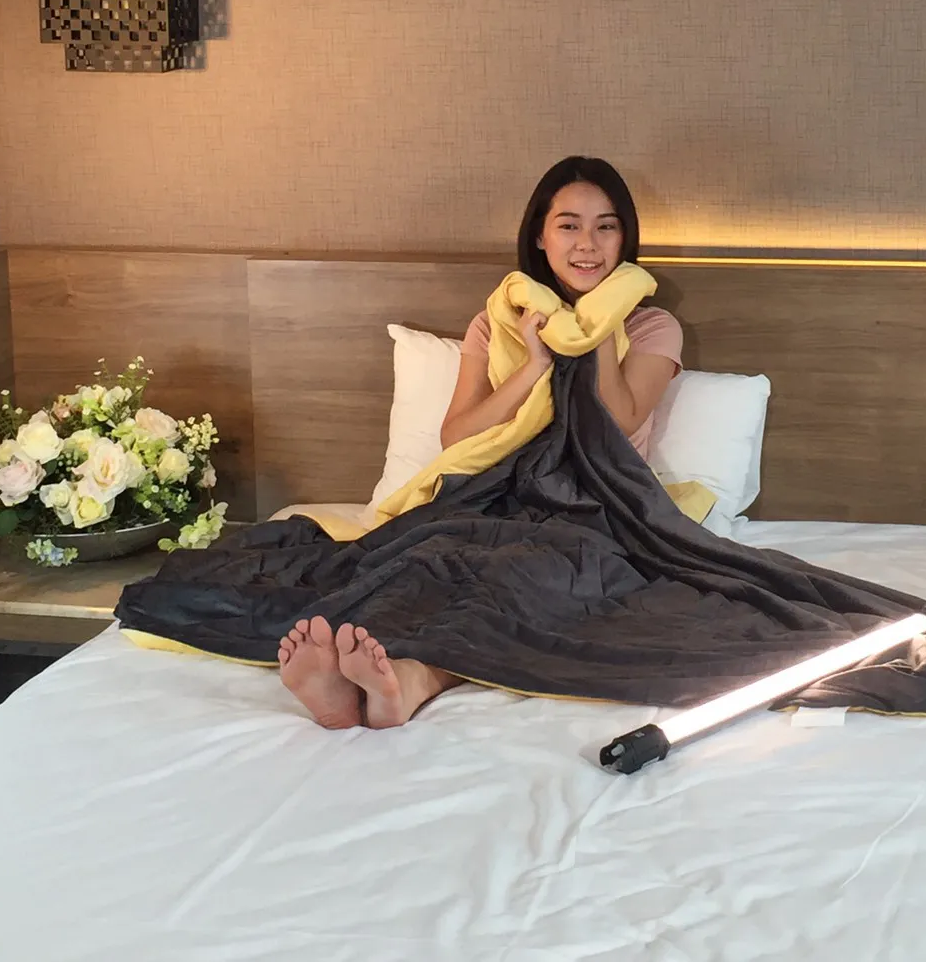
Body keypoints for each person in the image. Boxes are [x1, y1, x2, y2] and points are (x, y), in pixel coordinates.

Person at [276, 156, 684, 730]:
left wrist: (593, 327)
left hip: (597, 504)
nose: (587, 244)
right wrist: (533, 364)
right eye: (568, 225)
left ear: (625, 238)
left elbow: (618, 421)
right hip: (498, 491)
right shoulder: (496, 324)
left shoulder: (651, 327)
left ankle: (413, 678)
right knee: (431, 559)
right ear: (540, 237)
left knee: (530, 575)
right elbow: (458, 437)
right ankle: (353, 678)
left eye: (606, 226)